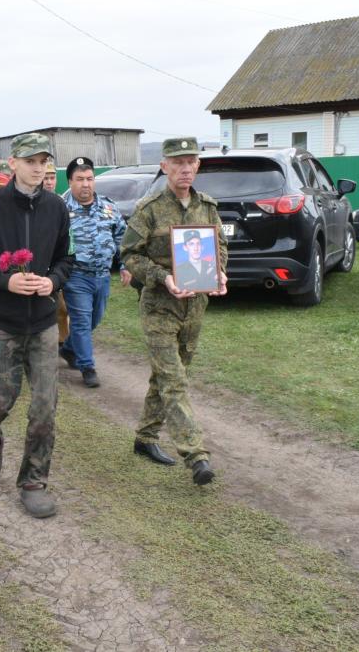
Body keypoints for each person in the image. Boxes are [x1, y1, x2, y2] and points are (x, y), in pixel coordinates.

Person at [0, 132, 74, 519]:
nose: (38, 169)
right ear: (13, 164)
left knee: (44, 407)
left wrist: (52, 281)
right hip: (2, 324)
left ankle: (33, 482)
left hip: (42, 323)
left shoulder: (57, 208)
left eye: (43, 162)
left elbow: (67, 258)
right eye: (30, 161)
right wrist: (4, 281)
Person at [119, 136, 228, 486]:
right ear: (164, 166)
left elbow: (219, 245)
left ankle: (145, 437)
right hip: (160, 308)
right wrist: (163, 277)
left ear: (197, 165)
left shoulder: (207, 207)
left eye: (190, 162)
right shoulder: (149, 209)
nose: (185, 168)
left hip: (194, 307)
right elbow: (129, 256)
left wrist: (220, 272)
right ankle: (196, 455)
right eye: (178, 162)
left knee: (165, 376)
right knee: (174, 380)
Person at [60, 157, 131, 388]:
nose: (86, 184)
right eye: (80, 179)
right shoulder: (60, 209)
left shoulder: (108, 207)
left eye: (89, 179)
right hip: (75, 276)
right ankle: (87, 367)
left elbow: (122, 237)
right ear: (70, 182)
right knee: (81, 321)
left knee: (94, 319)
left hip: (102, 276)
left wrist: (125, 265)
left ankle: (68, 348)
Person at [41, 161, 69, 353]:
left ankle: (62, 341)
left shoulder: (62, 202)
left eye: (52, 178)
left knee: (64, 308)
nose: (49, 182)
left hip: (60, 262)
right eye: (46, 178)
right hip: (43, 262)